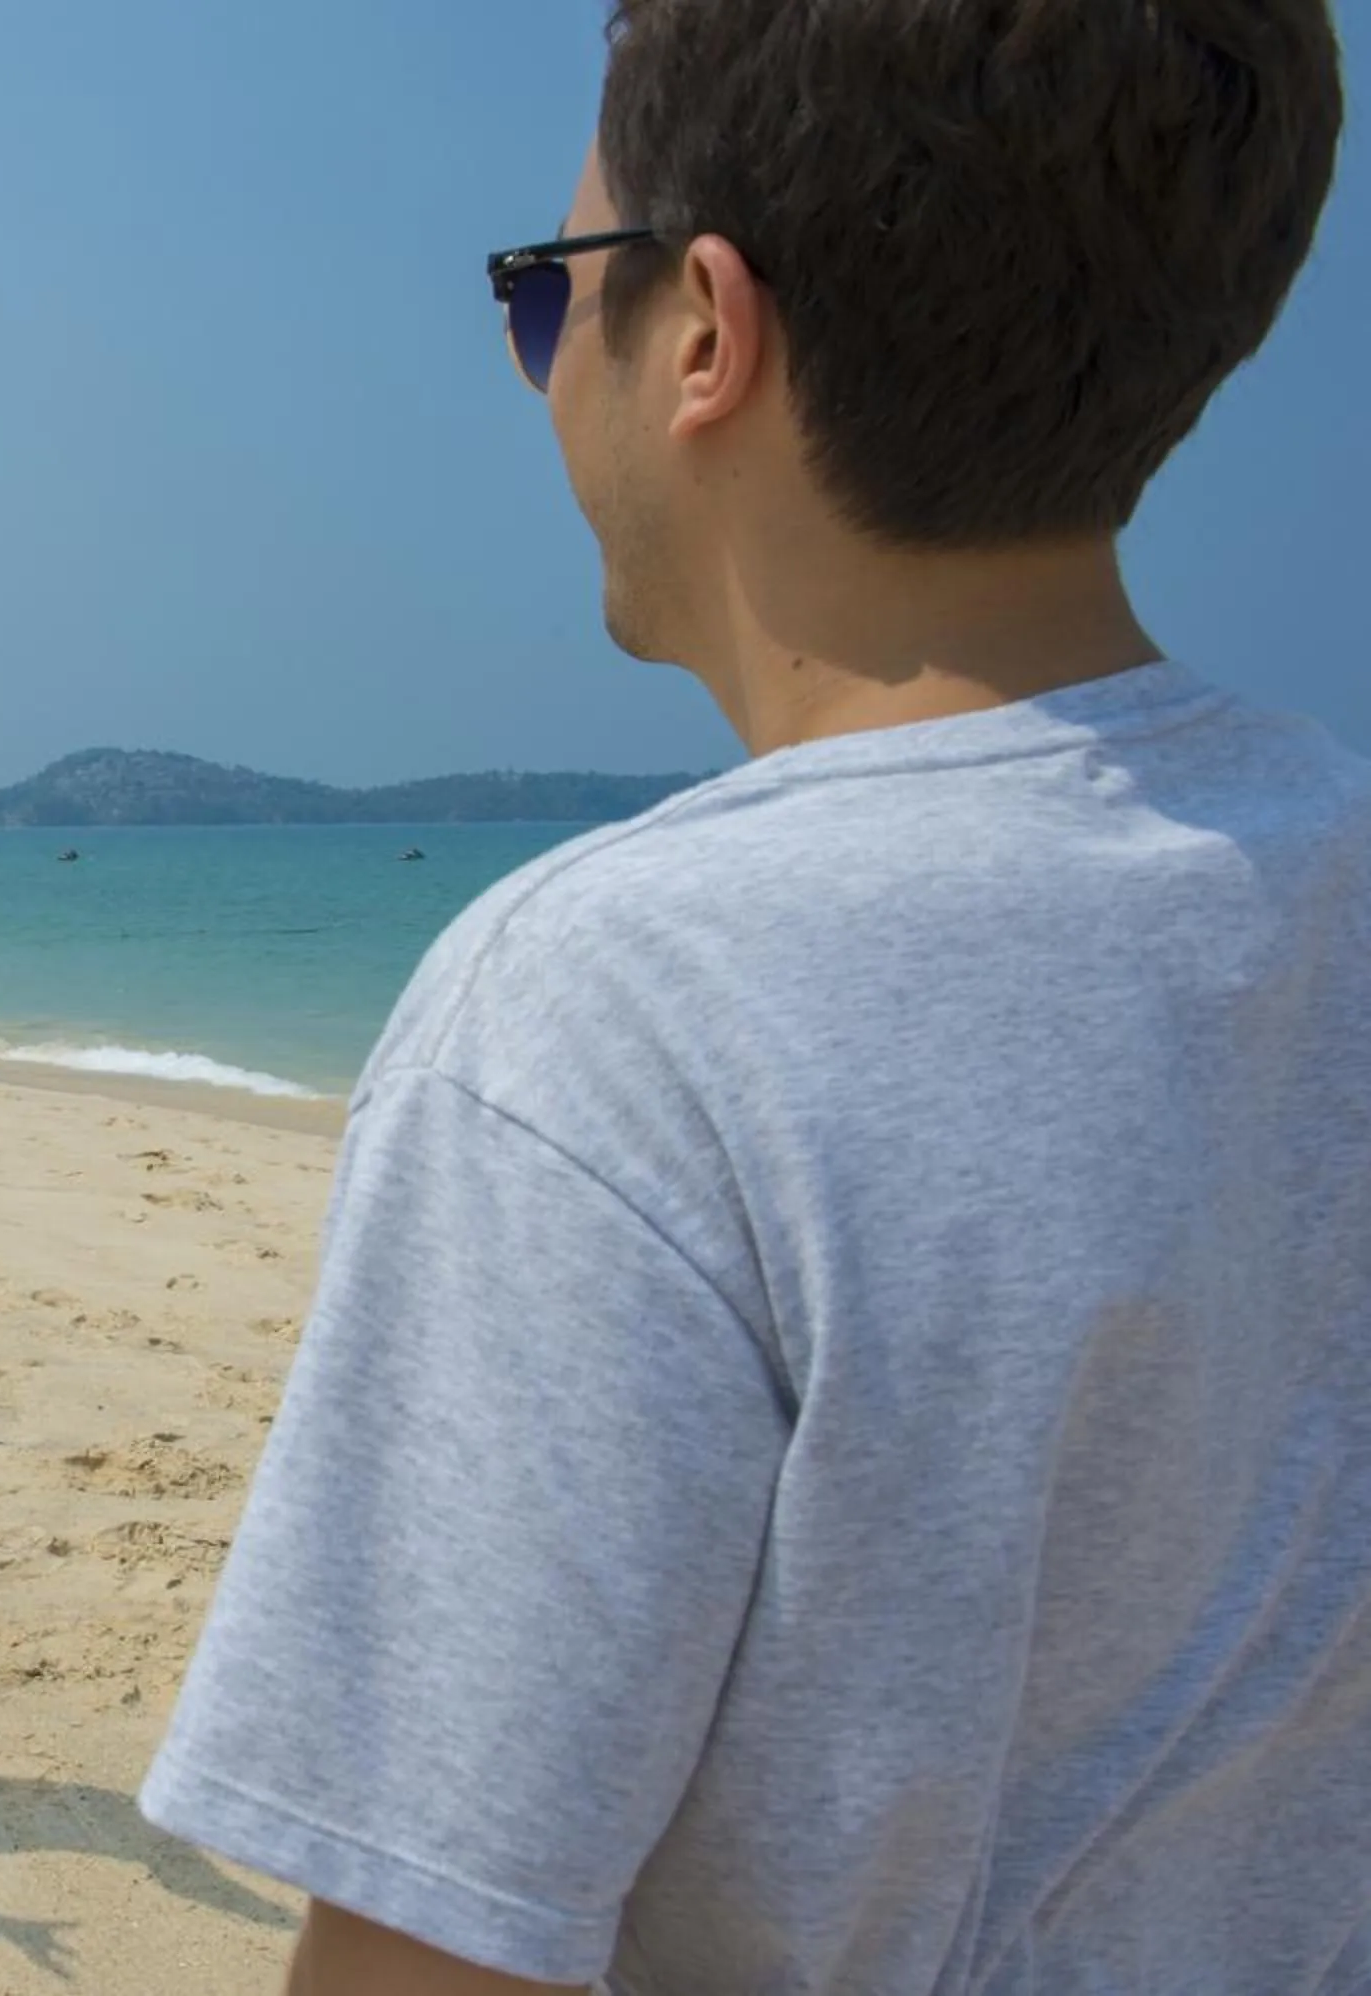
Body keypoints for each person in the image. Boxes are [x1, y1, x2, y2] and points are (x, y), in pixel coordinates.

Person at [141, 7, 1362, 1993]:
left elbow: (434, 1942)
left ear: (704, 332)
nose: (542, 369)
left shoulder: (617, 1015)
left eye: (546, 298)